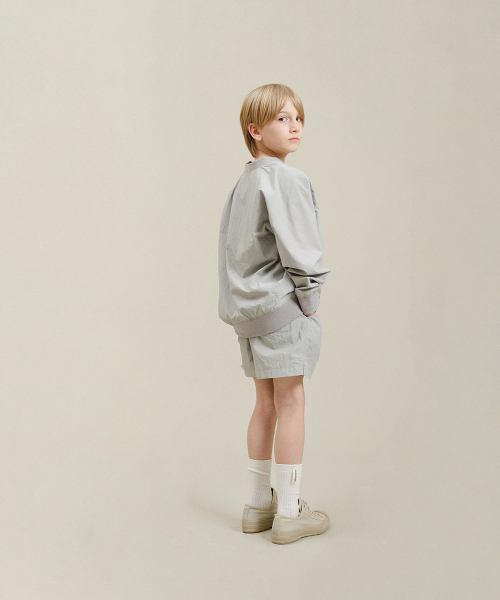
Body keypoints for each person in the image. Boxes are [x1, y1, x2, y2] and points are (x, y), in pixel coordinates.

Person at [218, 83, 331, 544]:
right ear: (255, 130)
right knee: (292, 402)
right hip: (283, 311)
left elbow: (230, 252)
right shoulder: (288, 179)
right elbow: (302, 252)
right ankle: (288, 512)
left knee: (264, 404)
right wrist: (309, 302)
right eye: (282, 118)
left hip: (248, 313)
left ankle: (256, 506)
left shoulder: (243, 183)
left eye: (298, 117)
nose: (295, 126)